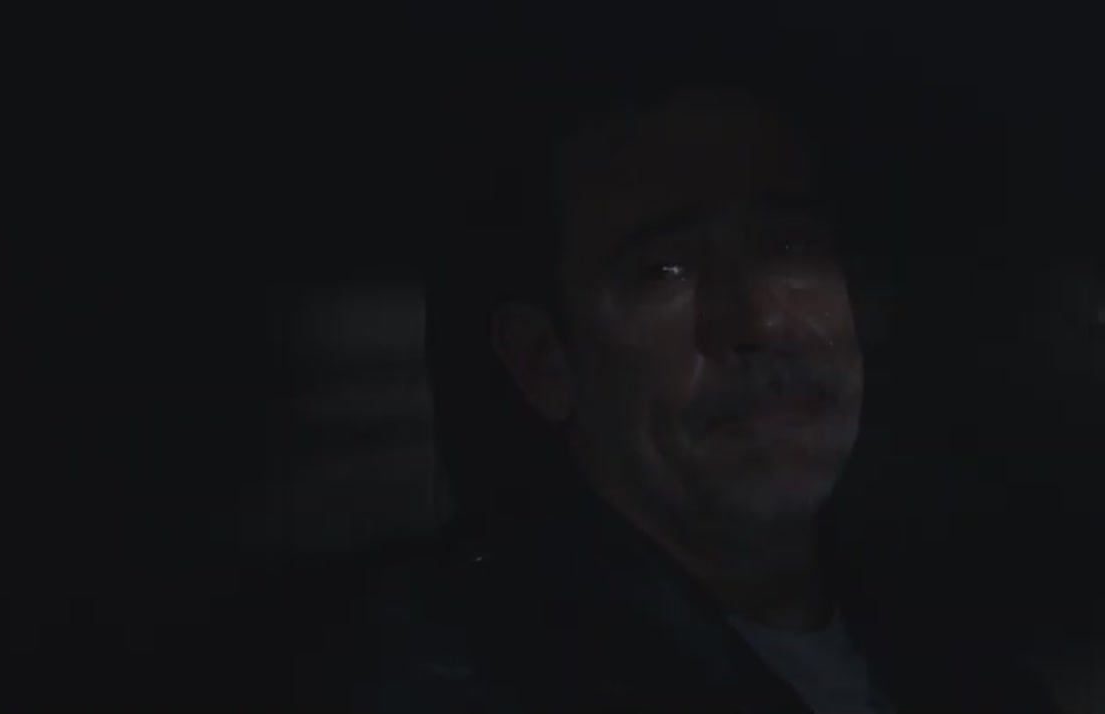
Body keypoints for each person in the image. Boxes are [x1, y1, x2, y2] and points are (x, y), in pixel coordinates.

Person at [411, 58, 1066, 714]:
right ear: (545, 363)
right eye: (665, 270)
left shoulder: (958, 647)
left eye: (790, 247)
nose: (760, 321)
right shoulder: (459, 680)